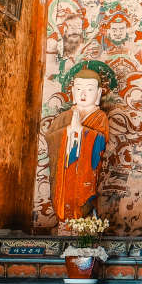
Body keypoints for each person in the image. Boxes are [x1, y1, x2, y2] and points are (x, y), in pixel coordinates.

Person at [45, 63, 111, 222]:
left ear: (98, 93)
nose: (84, 93)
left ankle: (83, 219)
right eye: (79, 88)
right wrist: (68, 131)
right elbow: (49, 138)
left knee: (84, 198)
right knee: (63, 195)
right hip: (64, 171)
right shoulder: (63, 117)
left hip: (85, 171)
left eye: (89, 89)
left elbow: (101, 141)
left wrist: (81, 132)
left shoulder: (100, 117)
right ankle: (63, 221)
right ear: (73, 92)